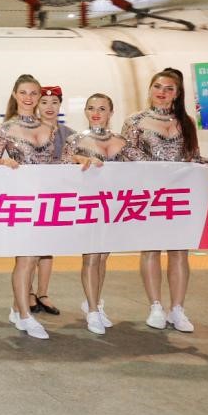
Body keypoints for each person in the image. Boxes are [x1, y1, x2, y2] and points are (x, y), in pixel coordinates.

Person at [121, 68, 208, 333]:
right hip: (148, 195)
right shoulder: (134, 121)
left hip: (179, 196)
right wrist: (164, 170)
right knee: (150, 250)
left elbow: (194, 160)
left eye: (169, 88)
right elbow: (127, 155)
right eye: (158, 86)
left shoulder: (186, 122)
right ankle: (155, 307)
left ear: (177, 93)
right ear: (150, 89)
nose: (162, 92)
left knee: (180, 252)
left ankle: (177, 309)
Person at [61, 93, 141, 334]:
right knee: (91, 257)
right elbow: (60, 169)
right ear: (85, 111)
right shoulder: (75, 140)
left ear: (111, 112)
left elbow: (143, 167)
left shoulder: (122, 141)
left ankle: (94, 301)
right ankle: (93, 310)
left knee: (103, 258)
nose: (96, 113)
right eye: (91, 108)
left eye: (102, 108)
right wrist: (76, 159)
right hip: (87, 205)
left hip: (114, 207)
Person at [0, 74, 56, 340]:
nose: (29, 98)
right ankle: (26, 316)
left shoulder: (50, 127)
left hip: (46, 200)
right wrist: (3, 162)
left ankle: (18, 309)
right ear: (15, 95)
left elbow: (56, 162)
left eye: (33, 93)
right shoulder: (4, 129)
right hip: (21, 200)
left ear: (39, 96)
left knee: (35, 256)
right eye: (24, 92)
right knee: (26, 258)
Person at [29, 84, 73, 317]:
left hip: (56, 196)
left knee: (47, 248)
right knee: (28, 248)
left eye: (54, 102)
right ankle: (27, 292)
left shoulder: (69, 134)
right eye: (44, 102)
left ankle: (43, 293)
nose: (49, 107)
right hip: (30, 195)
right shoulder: (27, 130)